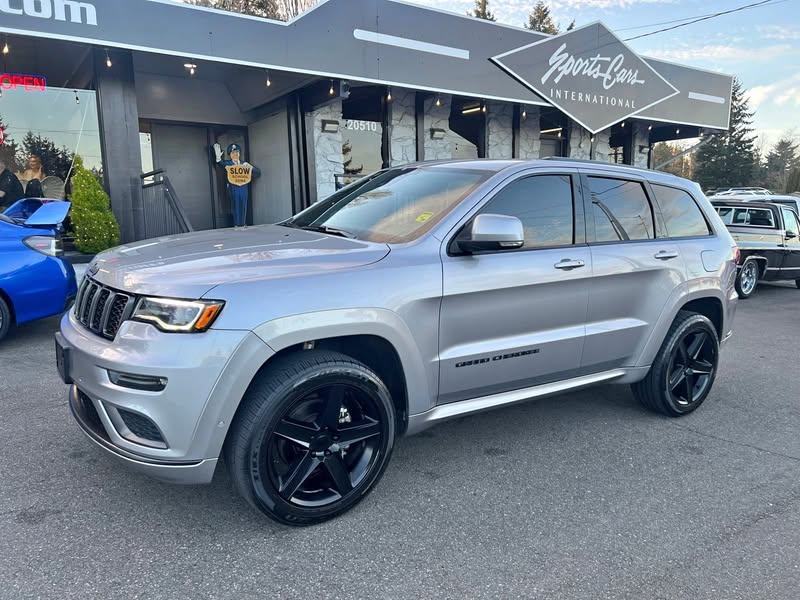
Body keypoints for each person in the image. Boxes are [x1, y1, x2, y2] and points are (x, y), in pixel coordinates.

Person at [213, 143, 260, 228]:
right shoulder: (228, 163)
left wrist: (250, 167)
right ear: (230, 155)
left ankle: (242, 223)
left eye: (237, 152)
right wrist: (218, 158)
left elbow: (257, 173)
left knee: (243, 205)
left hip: (243, 188)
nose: (235, 154)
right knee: (235, 206)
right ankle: (236, 224)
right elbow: (220, 164)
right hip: (233, 188)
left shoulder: (244, 164)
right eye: (233, 153)